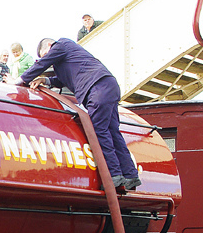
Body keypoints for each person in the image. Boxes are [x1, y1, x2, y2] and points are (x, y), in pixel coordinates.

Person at [18, 37, 141, 190]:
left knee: (99, 132)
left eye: (45, 54)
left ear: (49, 46)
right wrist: (45, 80)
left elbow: (43, 63)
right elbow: (64, 79)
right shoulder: (71, 56)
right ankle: (130, 175)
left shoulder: (61, 44)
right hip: (109, 85)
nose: (48, 59)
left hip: (97, 89)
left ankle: (114, 176)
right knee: (113, 131)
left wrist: (20, 80)